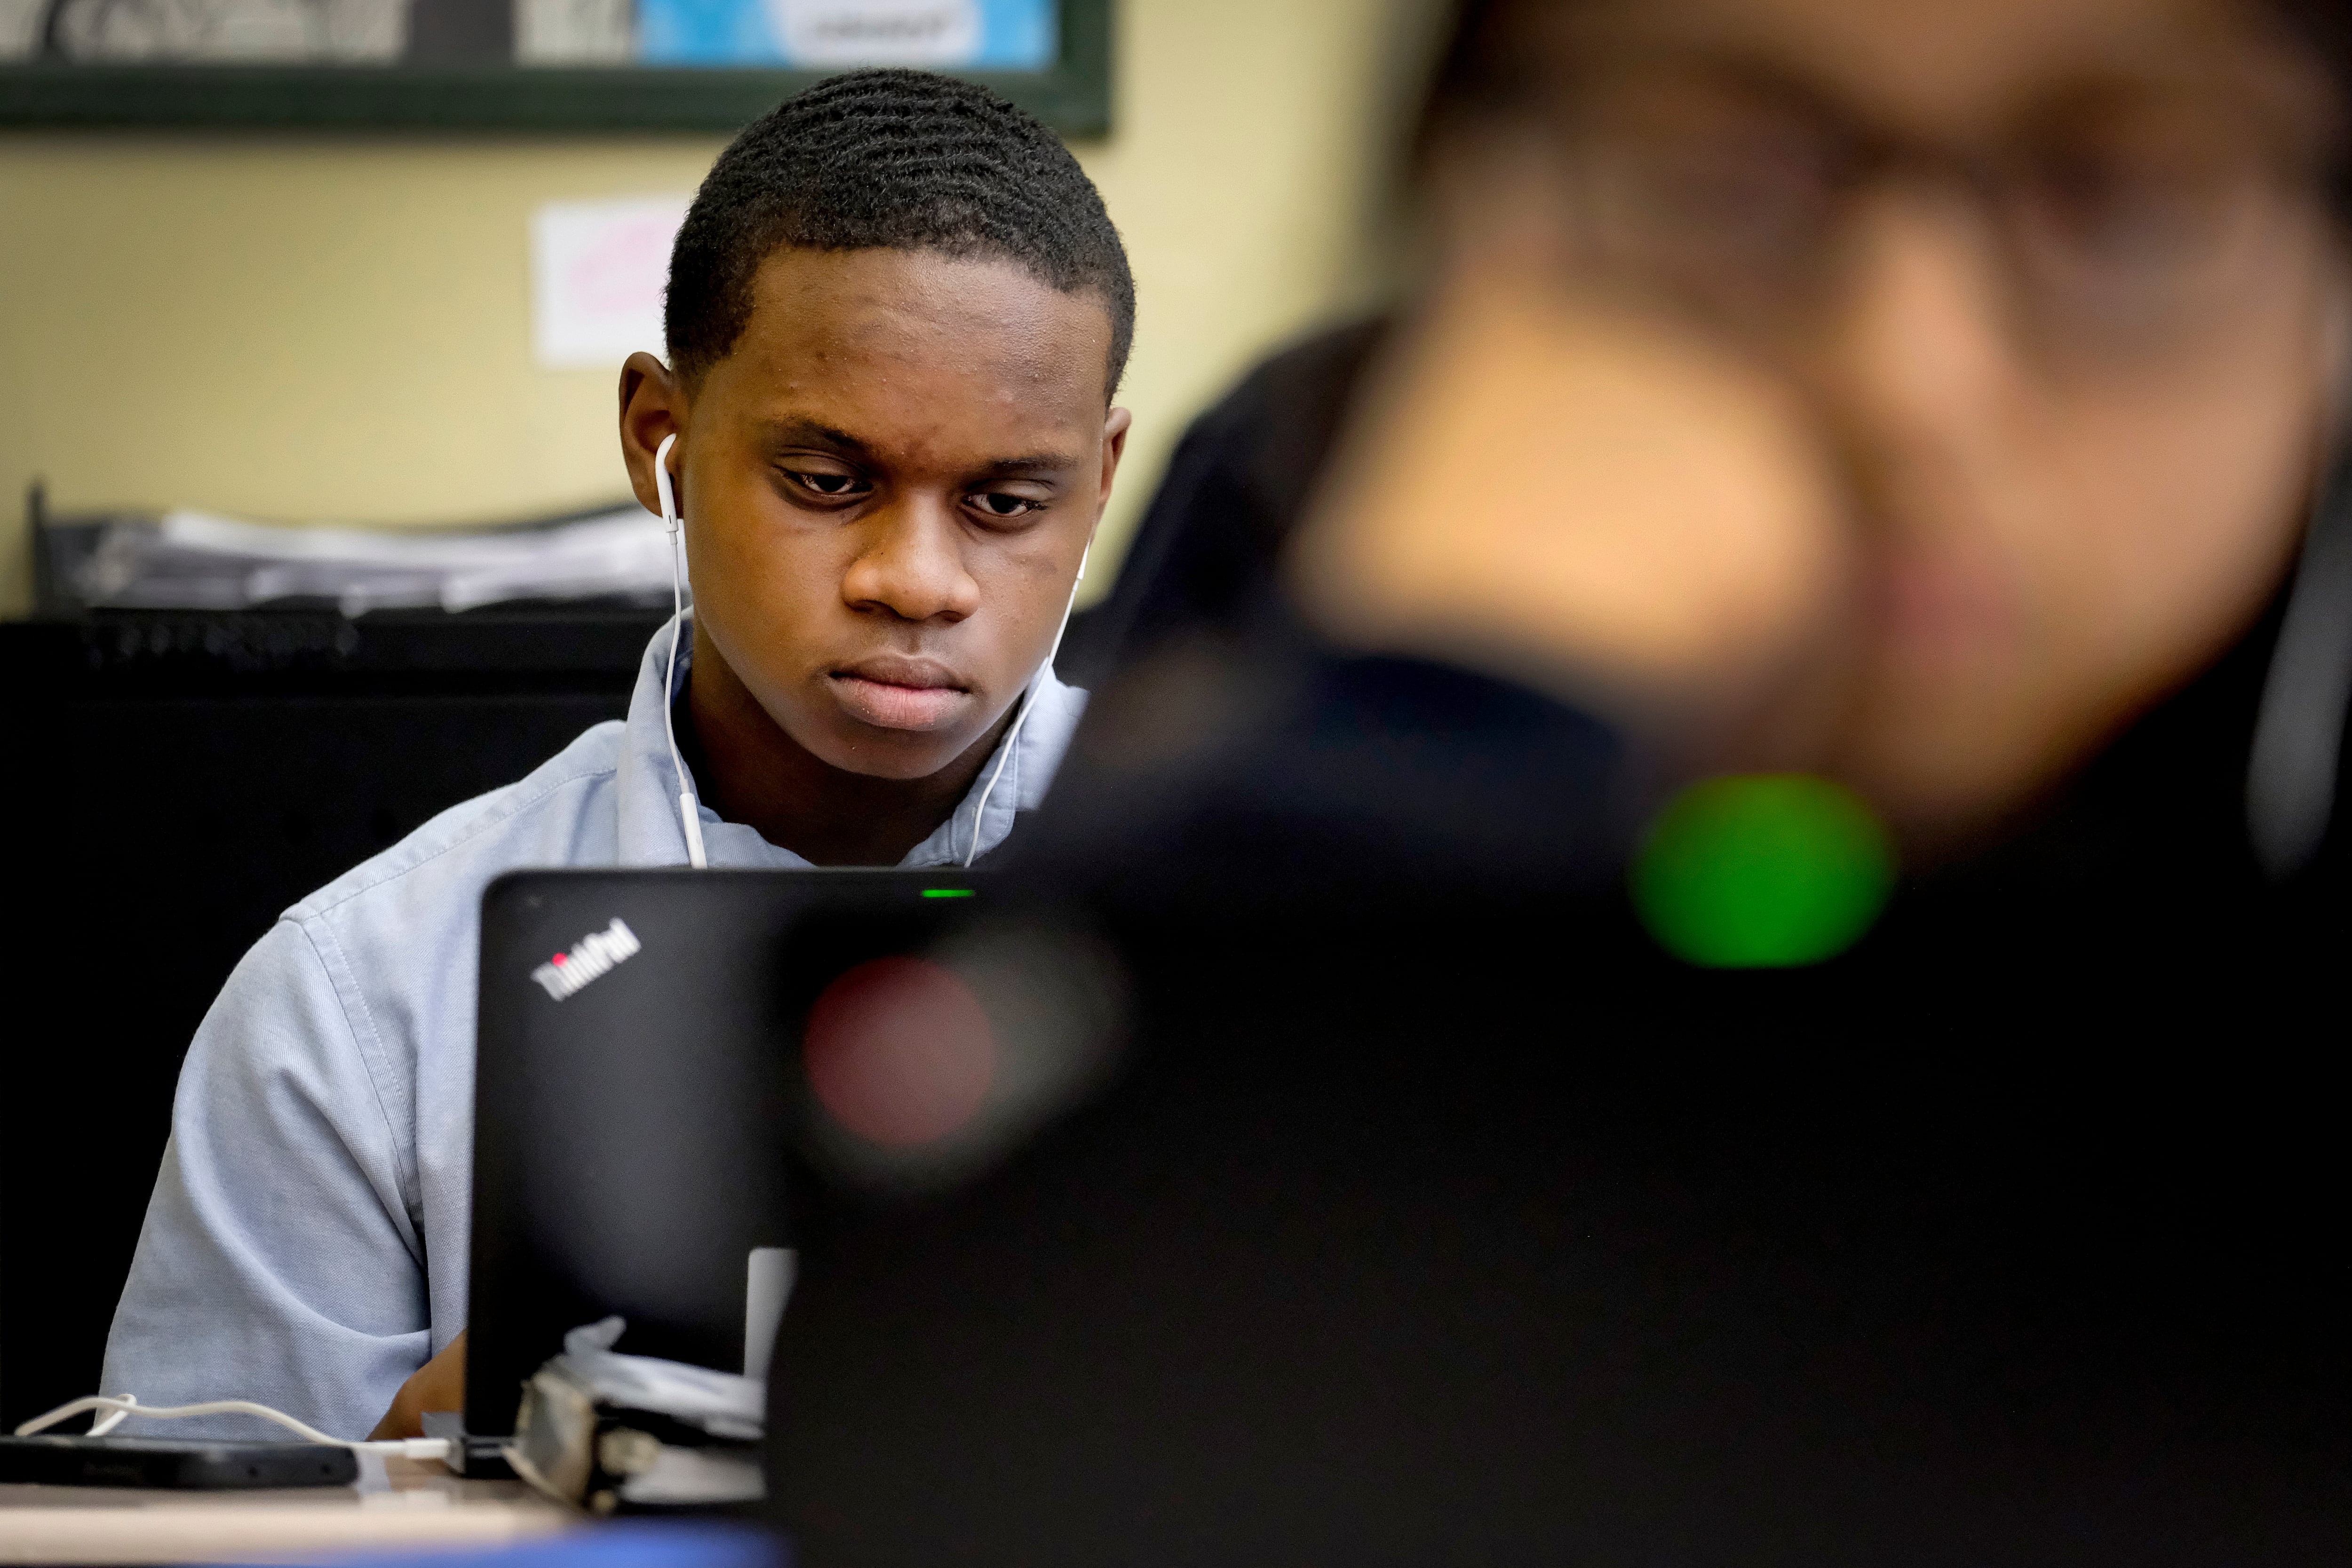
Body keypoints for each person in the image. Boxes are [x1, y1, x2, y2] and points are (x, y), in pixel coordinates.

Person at [759, 2, 2352, 1561]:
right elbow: (963, 1404)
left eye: (2130, 192)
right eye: (1723, 172)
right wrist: (1446, 703)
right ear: (1469, 186)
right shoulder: (1335, 507)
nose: (1902, 377)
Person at [100, 67, 1134, 1441]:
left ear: (1104, 477)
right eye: (829, 483)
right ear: (665, 440)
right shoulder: (359, 998)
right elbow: (187, 1533)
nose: (917, 580)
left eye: (1008, 501)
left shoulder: (1273, 920)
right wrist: (434, 1446)